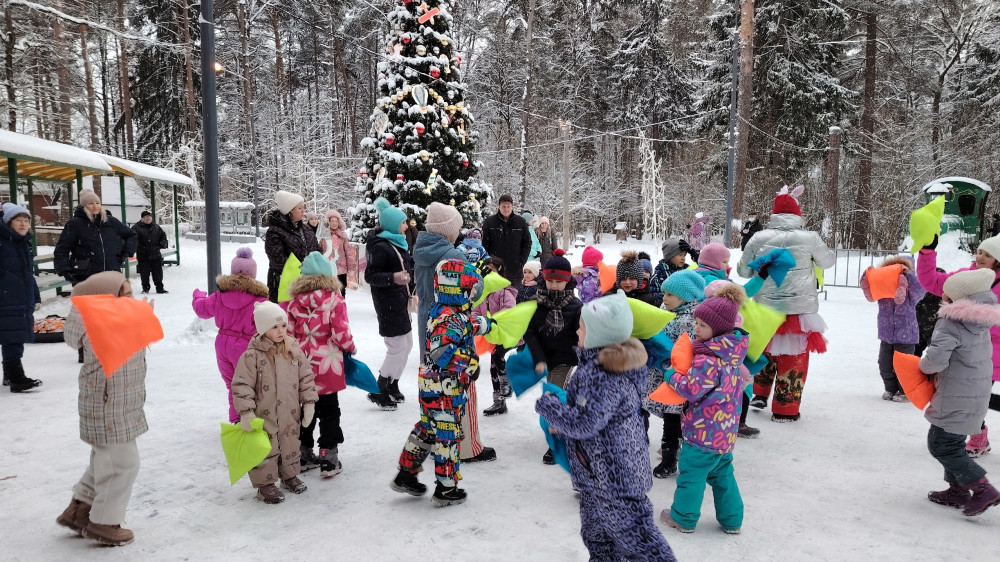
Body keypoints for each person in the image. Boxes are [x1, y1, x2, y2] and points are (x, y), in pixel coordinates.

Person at [535, 292, 676, 561]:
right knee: (598, 536)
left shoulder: (602, 373)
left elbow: (585, 422)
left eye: (582, 326)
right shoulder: (602, 365)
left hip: (614, 478)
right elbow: (596, 418)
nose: (577, 330)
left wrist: (550, 406)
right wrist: (562, 424)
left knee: (639, 542)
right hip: (597, 476)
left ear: (599, 334)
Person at [391, 259, 495, 506]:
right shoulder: (452, 319)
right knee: (447, 435)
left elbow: (463, 325)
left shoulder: (441, 311)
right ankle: (447, 488)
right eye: (469, 291)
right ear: (458, 291)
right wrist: (470, 364)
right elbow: (441, 352)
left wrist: (485, 324)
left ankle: (406, 473)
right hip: (445, 388)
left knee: (427, 428)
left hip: (430, 385)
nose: (472, 296)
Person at [58, 272, 145, 546]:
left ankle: (78, 511)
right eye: (125, 294)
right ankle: (104, 522)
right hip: (108, 407)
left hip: (119, 406)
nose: (130, 299)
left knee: (103, 462)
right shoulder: (99, 324)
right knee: (123, 465)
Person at [737, 186, 835, 422]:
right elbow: (828, 261)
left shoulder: (759, 237)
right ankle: (786, 409)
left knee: (763, 348)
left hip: (765, 306)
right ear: (797, 213)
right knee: (793, 356)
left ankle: (758, 394)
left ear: (774, 214)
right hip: (799, 309)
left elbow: (743, 270)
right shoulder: (809, 237)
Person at [411, 202, 496, 463]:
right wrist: (479, 278)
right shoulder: (453, 256)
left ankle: (433, 442)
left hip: (429, 323)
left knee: (437, 388)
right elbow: (472, 290)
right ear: (448, 230)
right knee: (462, 386)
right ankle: (469, 447)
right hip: (453, 324)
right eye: (456, 228)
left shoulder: (420, 250)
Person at [660, 285, 748, 534]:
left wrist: (670, 375)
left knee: (691, 475)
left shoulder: (708, 359)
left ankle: (683, 518)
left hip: (703, 432)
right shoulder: (731, 354)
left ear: (719, 329)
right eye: (696, 322)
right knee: (723, 477)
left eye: (703, 326)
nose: (696, 329)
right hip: (725, 432)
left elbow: (691, 389)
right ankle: (732, 520)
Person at [919, 269, 1000, 516]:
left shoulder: (951, 322)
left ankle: (982, 488)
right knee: (952, 441)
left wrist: (921, 366)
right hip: (975, 393)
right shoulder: (981, 320)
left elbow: (935, 361)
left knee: (941, 444)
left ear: (957, 297)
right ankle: (957, 489)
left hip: (954, 394)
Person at [917, 233, 1000, 457]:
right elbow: (932, 281)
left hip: (990, 353)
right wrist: (927, 252)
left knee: (973, 397)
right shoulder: (965, 278)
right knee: (969, 396)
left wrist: (982, 323)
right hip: (963, 351)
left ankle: (969, 441)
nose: (981, 256)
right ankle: (974, 438)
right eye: (980, 251)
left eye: (988, 254)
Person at [231, 301, 318, 504]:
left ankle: (289, 476)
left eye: (283, 326)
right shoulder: (252, 356)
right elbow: (241, 385)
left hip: (290, 412)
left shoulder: (293, 350)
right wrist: (246, 413)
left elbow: (306, 377)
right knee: (266, 448)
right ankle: (265, 485)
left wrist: (309, 403)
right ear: (262, 329)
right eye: (274, 327)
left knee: (290, 443)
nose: (281, 331)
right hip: (265, 414)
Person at [288, 252, 357, 479]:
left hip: (301, 365)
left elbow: (288, 334)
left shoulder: (295, 302)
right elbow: (340, 332)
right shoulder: (334, 299)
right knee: (329, 410)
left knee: (305, 408)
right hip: (327, 365)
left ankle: (303, 452)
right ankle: (328, 457)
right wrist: (350, 347)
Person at [192, 248, 268, 424]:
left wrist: (198, 296)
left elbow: (201, 310)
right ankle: (251, 420)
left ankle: (236, 420)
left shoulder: (220, 295)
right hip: (246, 346)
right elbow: (268, 322)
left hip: (222, 345)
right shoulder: (259, 300)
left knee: (233, 386)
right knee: (249, 385)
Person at [523, 249, 582, 464]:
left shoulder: (576, 306)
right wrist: (538, 358)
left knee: (554, 400)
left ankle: (557, 444)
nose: (554, 285)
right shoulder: (535, 302)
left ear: (567, 281)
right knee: (557, 400)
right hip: (545, 359)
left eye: (559, 281)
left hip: (567, 360)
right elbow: (529, 332)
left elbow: (580, 334)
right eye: (550, 281)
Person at [645, 270, 706, 478]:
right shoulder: (664, 310)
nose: (665, 298)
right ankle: (672, 448)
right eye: (664, 294)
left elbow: (689, 348)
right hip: (661, 372)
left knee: (673, 416)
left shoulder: (693, 319)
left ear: (685, 297)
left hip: (681, 375)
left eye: (670, 295)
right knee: (667, 414)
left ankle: (670, 457)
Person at [364, 197, 414, 411]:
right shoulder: (382, 247)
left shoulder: (398, 243)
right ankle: (379, 388)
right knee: (397, 347)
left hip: (400, 301)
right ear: (394, 224)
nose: (406, 225)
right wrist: (393, 277)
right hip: (388, 304)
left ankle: (392, 383)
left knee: (408, 344)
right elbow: (370, 276)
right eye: (403, 222)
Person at [860, 255, 925, 401]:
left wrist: (907, 274)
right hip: (886, 333)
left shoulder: (910, 290)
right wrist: (868, 277)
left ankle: (904, 391)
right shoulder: (884, 290)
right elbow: (870, 292)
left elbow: (921, 289)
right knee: (884, 362)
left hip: (906, 333)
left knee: (904, 365)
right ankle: (890, 389)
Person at [54, 189, 137, 286]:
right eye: (90, 203)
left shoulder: (110, 221)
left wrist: (124, 254)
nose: (95, 206)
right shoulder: (75, 224)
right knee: (92, 301)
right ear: (84, 205)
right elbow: (62, 249)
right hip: (86, 275)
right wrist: (64, 269)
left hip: (112, 273)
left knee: (111, 301)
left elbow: (132, 235)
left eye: (97, 203)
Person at [0, 203, 42, 392]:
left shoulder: (23, 243)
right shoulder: (4, 242)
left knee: (14, 336)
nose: (23, 224)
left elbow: (28, 273)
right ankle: (16, 377)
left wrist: (35, 295)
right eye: (18, 220)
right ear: (9, 223)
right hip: (6, 296)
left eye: (26, 220)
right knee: (12, 336)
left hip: (21, 297)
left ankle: (10, 375)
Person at [475, 256, 517, 416]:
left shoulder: (504, 291)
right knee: (493, 367)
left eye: (492, 270)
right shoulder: (482, 292)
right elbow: (476, 310)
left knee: (497, 356)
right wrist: (478, 321)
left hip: (507, 333)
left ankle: (506, 383)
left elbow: (509, 309)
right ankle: (499, 402)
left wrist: (496, 319)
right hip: (492, 333)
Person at [264, 190, 320, 303]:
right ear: (290, 210)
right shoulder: (274, 231)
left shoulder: (306, 229)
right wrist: (303, 269)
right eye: (300, 208)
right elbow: (278, 259)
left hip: (308, 284)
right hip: (284, 283)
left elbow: (316, 249)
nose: (303, 211)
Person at [481, 194, 532, 288]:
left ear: (512, 207)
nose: (506, 209)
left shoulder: (520, 222)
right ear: (499, 207)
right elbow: (484, 244)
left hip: (515, 270)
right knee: (495, 298)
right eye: (503, 206)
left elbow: (527, 243)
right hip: (495, 269)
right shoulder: (489, 222)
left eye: (508, 206)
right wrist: (491, 262)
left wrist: (521, 261)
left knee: (513, 298)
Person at [131, 210, 168, 294]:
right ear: (142, 219)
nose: (148, 218)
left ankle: (160, 288)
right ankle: (145, 288)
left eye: (149, 217)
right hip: (143, 255)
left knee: (158, 272)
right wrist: (140, 247)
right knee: (144, 273)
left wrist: (161, 244)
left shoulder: (156, 227)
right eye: (145, 217)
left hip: (155, 254)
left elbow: (163, 236)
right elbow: (132, 239)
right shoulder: (136, 227)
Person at [325, 209, 356, 296]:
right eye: (332, 221)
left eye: (336, 221)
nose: (334, 223)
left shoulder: (343, 236)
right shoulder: (324, 236)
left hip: (341, 268)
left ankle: (341, 308)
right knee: (329, 290)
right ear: (328, 222)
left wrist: (351, 266)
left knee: (342, 290)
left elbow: (348, 252)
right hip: (329, 268)